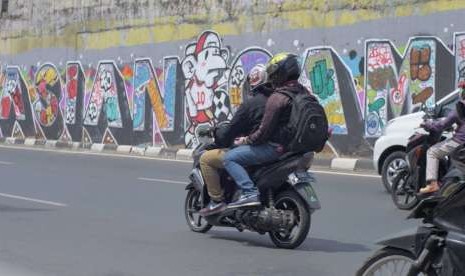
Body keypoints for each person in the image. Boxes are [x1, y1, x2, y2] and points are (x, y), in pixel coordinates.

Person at [224, 52, 309, 208]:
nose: (273, 77)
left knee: (229, 158)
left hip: (275, 149)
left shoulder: (277, 98)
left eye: (274, 74)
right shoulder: (305, 94)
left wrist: (246, 140)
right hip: (298, 149)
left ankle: (249, 192)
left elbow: (263, 132)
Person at [198, 64, 272, 216]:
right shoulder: (275, 100)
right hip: (274, 149)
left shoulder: (250, 104)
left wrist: (218, 134)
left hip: (257, 149)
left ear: (252, 82)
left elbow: (230, 131)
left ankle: (217, 201)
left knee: (206, 158)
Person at [420, 82, 465, 194]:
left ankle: (433, 184)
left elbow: (441, 125)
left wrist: (428, 124)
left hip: (459, 142)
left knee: (432, 152)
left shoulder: (459, 110)